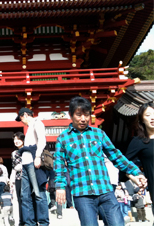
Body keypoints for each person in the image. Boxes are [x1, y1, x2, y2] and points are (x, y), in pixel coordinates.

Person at [54, 96, 147, 226]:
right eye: (79, 115)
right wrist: (60, 187)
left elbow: (116, 156)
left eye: (86, 115)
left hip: (105, 190)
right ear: (71, 115)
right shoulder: (63, 138)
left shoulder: (99, 134)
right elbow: (59, 165)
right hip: (83, 194)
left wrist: (136, 172)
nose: (83, 119)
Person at [15, 107, 49, 226]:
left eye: (20, 118)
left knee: (39, 193)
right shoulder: (29, 128)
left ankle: (44, 222)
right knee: (25, 196)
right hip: (25, 164)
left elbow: (42, 141)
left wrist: (38, 156)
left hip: (33, 162)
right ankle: (30, 222)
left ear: (24, 115)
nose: (21, 121)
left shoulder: (37, 123)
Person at [124, 102, 154, 217]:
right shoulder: (139, 141)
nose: (153, 118)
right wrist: (135, 178)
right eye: (148, 115)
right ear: (142, 119)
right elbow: (123, 164)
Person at [11, 131, 24, 226]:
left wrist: (19, 167)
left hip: (27, 177)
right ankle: (21, 220)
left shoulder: (27, 150)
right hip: (18, 178)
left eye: (18, 139)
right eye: (15, 139)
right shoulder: (14, 153)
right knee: (19, 200)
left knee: (27, 199)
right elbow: (14, 167)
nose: (16, 141)